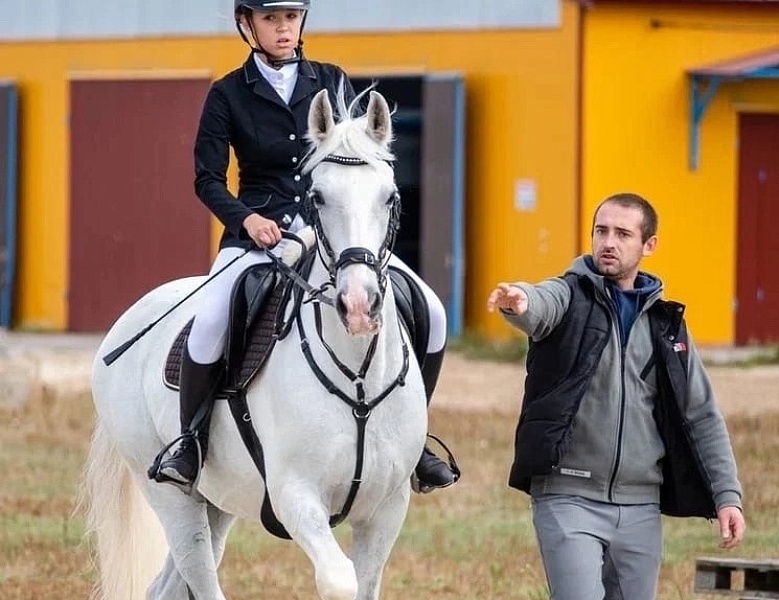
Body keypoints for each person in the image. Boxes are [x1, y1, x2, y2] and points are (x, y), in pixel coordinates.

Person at [148, 0, 457, 493]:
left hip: (338, 234)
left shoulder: (332, 80)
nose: (283, 28)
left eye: (291, 18)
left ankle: (415, 439)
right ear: (247, 25)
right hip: (259, 234)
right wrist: (246, 219)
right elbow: (207, 178)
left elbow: (359, 154)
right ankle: (191, 441)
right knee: (210, 321)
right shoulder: (227, 94)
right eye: (271, 19)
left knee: (434, 314)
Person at [486, 192, 745, 600]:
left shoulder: (667, 326)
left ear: (648, 245)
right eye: (601, 231)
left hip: (640, 505)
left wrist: (727, 496)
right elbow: (541, 303)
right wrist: (520, 301)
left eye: (623, 233)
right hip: (567, 495)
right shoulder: (569, 295)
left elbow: (701, 415)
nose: (608, 242)